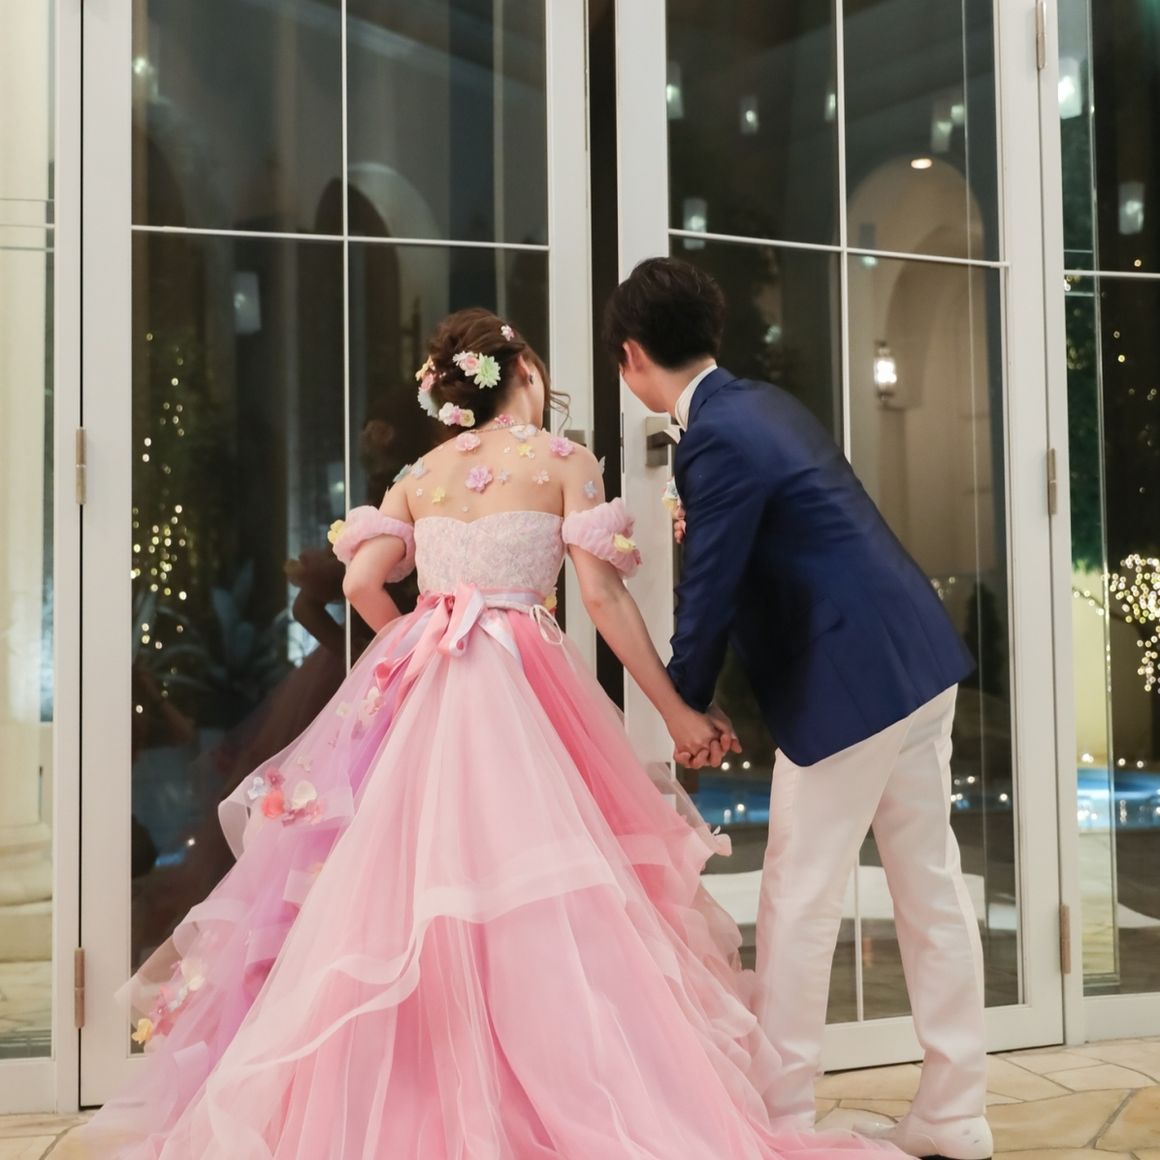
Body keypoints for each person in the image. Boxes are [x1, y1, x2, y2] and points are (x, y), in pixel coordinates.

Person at [67, 308, 896, 1159]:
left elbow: (358, 582)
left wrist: (410, 636)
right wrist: (679, 711)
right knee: (539, 884)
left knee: (407, 888)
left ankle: (421, 1096)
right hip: (521, 687)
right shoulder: (563, 460)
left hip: (430, 686)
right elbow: (603, 598)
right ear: (523, 370)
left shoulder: (420, 473)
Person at [604, 257, 992, 1160]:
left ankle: (778, 1120)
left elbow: (707, 595)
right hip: (916, 659)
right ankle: (956, 1111)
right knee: (930, 888)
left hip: (850, 684)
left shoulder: (714, 438)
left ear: (632, 356)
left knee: (798, 896)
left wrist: (684, 707)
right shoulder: (764, 406)